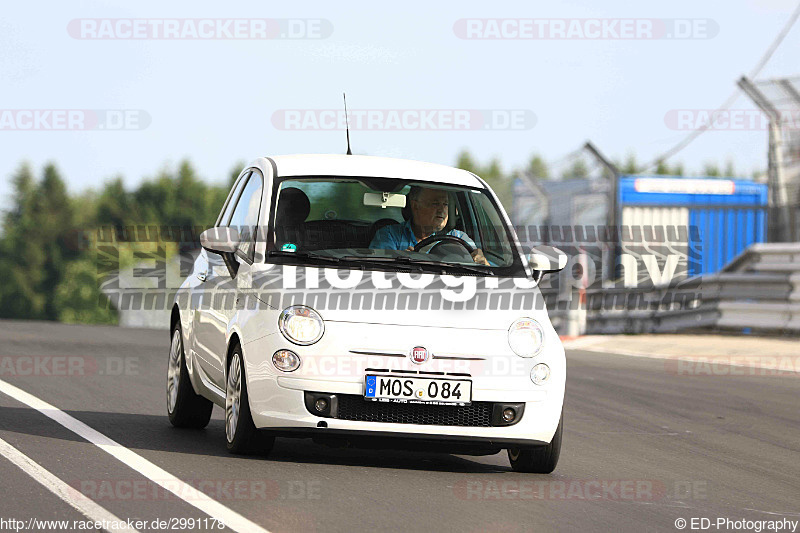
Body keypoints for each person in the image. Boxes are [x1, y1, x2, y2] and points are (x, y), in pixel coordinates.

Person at [369, 186, 489, 265]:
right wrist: (402, 262)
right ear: (415, 205)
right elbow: (377, 273)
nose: (442, 209)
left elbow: (487, 274)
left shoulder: (459, 239)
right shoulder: (389, 235)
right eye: (435, 203)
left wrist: (482, 262)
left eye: (445, 204)